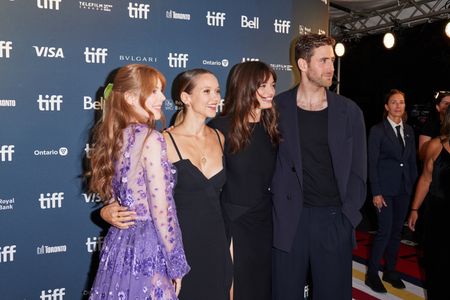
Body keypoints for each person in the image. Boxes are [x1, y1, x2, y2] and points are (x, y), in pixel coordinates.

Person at [101, 69, 233, 300]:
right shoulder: (159, 139)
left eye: (217, 91)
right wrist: (176, 263)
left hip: (213, 241)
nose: (216, 97)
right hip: (171, 243)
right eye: (207, 91)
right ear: (186, 97)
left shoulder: (221, 137)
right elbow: (160, 209)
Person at [271, 33, 367, 300]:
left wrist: (348, 216)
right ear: (303, 64)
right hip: (291, 219)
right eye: (324, 60)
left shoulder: (349, 112)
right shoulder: (277, 108)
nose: (331, 68)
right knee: (285, 293)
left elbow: (359, 171)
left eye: (332, 61)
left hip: (334, 220)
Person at [88, 64, 190, 299]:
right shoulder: (150, 139)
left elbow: (115, 201)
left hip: (119, 245)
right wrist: (176, 264)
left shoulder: (112, 139)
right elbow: (162, 210)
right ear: (131, 98)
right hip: (148, 247)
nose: (163, 98)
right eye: (154, 91)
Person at [208, 61, 280, 300]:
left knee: (263, 288)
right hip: (235, 224)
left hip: (267, 221)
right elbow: (209, 186)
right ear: (246, 87)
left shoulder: (273, 126)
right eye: (263, 85)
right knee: (237, 289)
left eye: (272, 84)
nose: (271, 91)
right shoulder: (220, 128)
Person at [364, 89, 418, 293]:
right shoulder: (377, 130)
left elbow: (411, 161)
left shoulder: (410, 130)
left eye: (401, 102)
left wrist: (412, 188)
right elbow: (372, 162)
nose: (398, 105)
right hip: (384, 191)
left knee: (396, 232)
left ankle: (391, 271)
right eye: (393, 102)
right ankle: (371, 274)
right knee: (384, 232)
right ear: (386, 106)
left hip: (404, 190)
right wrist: (376, 192)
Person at [408, 106, 450, 300]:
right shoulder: (436, 145)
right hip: (437, 217)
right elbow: (425, 179)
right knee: (435, 267)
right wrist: (415, 209)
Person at [418, 91, 450, 159]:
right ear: (437, 107)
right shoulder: (430, 125)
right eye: (446, 103)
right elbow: (422, 154)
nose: (449, 106)